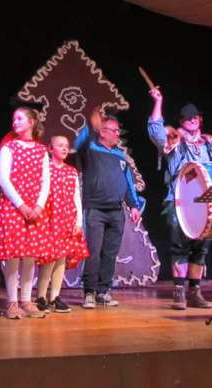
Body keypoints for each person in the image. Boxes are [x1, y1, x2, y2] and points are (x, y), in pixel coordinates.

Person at [147, 88, 212, 310]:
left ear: (200, 120)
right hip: (179, 201)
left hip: (205, 203)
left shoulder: (207, 144)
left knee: (200, 248)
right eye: (188, 118)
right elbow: (155, 130)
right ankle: (179, 291)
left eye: (195, 117)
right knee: (180, 246)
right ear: (181, 121)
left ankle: (195, 292)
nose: (192, 120)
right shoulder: (174, 139)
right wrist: (158, 102)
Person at [75, 106, 143, 309]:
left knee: (110, 253)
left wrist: (134, 206)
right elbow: (79, 143)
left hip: (116, 211)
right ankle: (89, 292)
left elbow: (128, 182)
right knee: (93, 252)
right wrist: (91, 126)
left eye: (118, 131)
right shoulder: (90, 149)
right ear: (103, 132)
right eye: (114, 130)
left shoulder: (121, 156)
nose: (117, 134)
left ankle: (103, 291)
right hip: (95, 210)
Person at [0, 107, 50, 319]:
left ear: (31, 122)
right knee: (13, 255)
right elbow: (4, 180)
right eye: (13, 119)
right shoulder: (9, 148)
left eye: (20, 118)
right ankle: (12, 302)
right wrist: (21, 205)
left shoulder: (41, 150)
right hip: (13, 207)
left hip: (35, 208)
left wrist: (38, 206)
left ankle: (26, 300)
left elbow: (46, 181)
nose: (15, 122)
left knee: (30, 255)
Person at [35, 135, 88, 314]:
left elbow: (76, 197)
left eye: (66, 145)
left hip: (66, 218)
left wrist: (78, 221)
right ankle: (41, 296)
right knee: (49, 257)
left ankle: (54, 297)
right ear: (50, 149)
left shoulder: (71, 171)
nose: (65, 148)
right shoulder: (45, 169)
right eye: (60, 145)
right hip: (49, 218)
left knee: (61, 258)